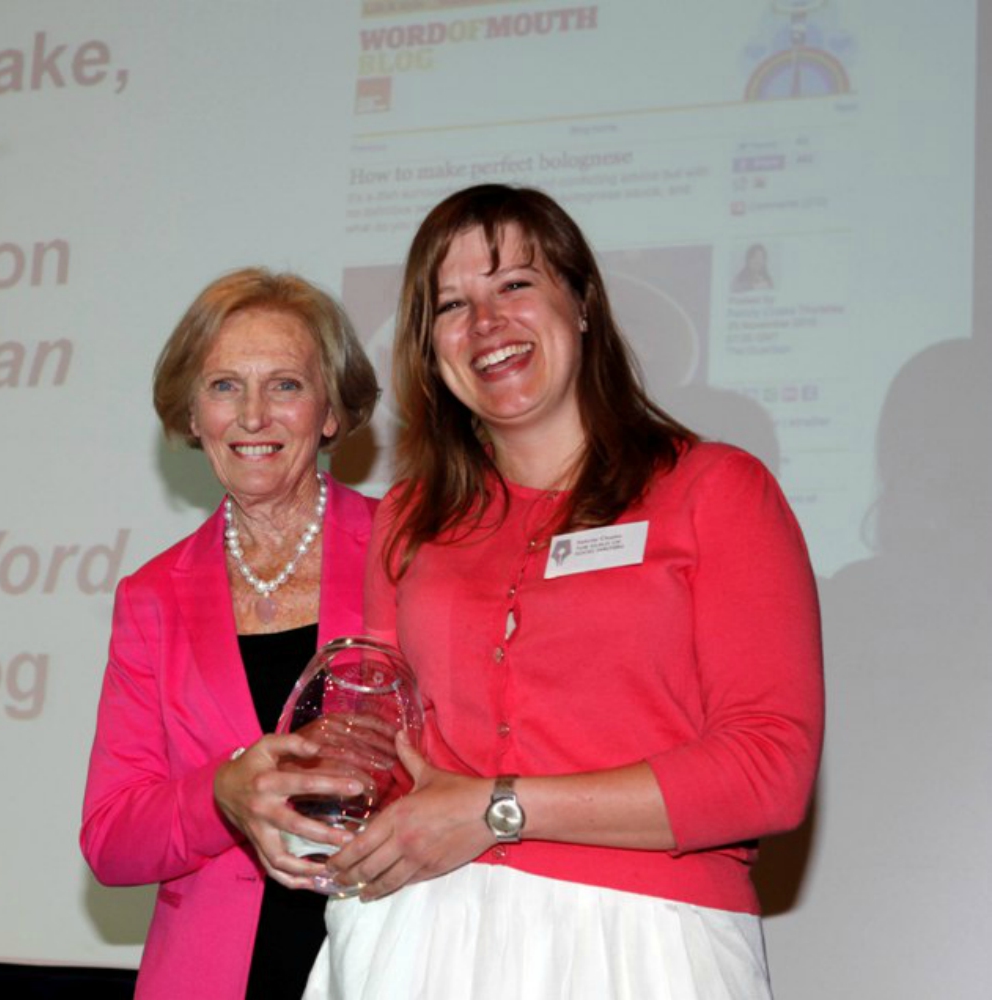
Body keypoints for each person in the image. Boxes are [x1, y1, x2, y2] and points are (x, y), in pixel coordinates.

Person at [303, 186, 823, 998]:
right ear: (429, 346)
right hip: (422, 934)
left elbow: (769, 771)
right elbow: (387, 750)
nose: (486, 323)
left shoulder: (716, 491)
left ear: (580, 304)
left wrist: (498, 810)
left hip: (646, 943)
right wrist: (293, 781)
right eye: (452, 305)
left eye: (515, 284)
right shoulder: (410, 517)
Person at [81, 268, 381, 999]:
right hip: (212, 975)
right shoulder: (152, 595)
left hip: (384, 952)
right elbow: (112, 838)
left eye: (284, 385)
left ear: (332, 411)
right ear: (191, 415)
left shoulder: (408, 551)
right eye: (223, 387)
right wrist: (223, 794)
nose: (253, 416)